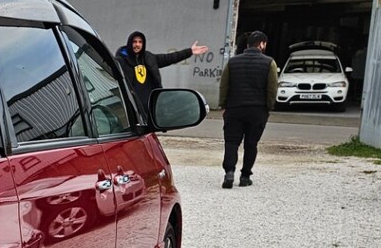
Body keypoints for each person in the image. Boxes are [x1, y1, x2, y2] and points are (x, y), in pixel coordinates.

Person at [218, 31, 279, 189]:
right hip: (257, 110)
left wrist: (223, 105)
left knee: (231, 142)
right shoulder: (269, 62)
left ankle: (229, 172)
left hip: (234, 109)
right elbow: (272, 89)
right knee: (251, 144)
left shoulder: (232, 62)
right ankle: (245, 176)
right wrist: (268, 107)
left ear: (247, 45)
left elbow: (224, 86)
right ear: (262, 44)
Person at [115, 32, 210, 123]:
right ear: (129, 43)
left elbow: (169, 58)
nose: (137, 45)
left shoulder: (148, 57)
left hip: (150, 107)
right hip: (132, 107)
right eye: (134, 42)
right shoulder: (122, 60)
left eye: (140, 42)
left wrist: (190, 51)